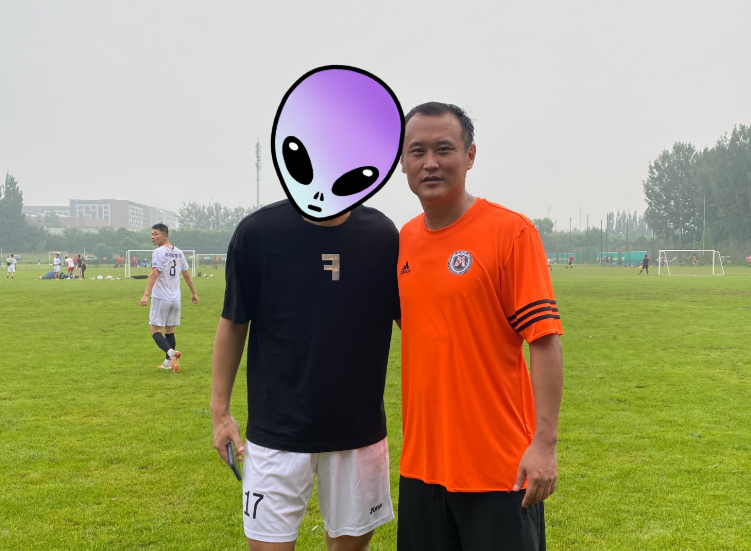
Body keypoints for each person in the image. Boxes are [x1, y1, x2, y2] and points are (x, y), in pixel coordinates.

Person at [396, 102, 563, 550]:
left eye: (444, 149)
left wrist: (544, 444)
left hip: (498, 469)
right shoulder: (404, 240)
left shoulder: (510, 232)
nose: (430, 163)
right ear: (402, 162)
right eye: (417, 151)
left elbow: (544, 341)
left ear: (470, 156)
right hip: (421, 468)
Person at [210, 199, 400, 550]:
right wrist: (219, 412)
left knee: (351, 546)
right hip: (276, 431)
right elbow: (234, 321)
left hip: (358, 430)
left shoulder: (382, 234)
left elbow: (413, 324)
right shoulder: (258, 232)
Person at [139, 224, 199, 372]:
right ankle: (168, 363)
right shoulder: (179, 253)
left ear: (165, 236)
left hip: (161, 297)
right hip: (175, 299)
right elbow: (187, 275)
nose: (153, 237)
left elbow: (154, 273)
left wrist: (145, 294)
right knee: (169, 331)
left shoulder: (158, 252)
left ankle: (170, 352)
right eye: (152, 234)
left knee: (155, 330)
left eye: (156, 234)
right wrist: (193, 293)